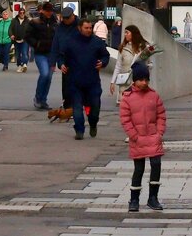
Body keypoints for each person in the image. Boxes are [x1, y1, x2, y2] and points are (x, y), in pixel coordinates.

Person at [119, 63, 166, 212]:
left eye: (146, 80)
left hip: (153, 137)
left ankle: (153, 197)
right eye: (141, 79)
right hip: (137, 139)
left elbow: (161, 115)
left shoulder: (154, 95)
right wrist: (133, 135)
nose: (144, 83)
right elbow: (125, 119)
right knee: (138, 168)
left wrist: (159, 133)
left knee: (156, 165)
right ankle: (134, 199)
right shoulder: (127, 97)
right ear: (135, 80)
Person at [58, 18, 110, 140]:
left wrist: (102, 62)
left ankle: (93, 123)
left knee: (95, 107)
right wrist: (61, 64)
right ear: (79, 28)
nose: (89, 30)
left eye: (90, 28)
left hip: (92, 81)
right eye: (86, 28)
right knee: (77, 107)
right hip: (75, 81)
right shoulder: (70, 42)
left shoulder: (97, 42)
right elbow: (61, 56)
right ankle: (79, 130)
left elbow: (105, 55)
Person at [26, 2, 59, 109]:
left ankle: (43, 100)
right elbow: (27, 35)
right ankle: (38, 98)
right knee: (44, 74)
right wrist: (36, 44)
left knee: (49, 77)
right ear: (42, 11)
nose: (49, 13)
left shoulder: (55, 23)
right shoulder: (35, 22)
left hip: (51, 53)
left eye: (51, 11)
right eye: (47, 11)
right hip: (40, 53)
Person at [51, 6, 81, 112]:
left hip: (79, 59)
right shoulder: (60, 27)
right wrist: (57, 62)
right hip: (65, 59)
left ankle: (78, 105)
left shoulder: (80, 25)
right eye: (64, 18)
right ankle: (68, 106)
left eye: (67, 18)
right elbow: (56, 45)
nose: (65, 21)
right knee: (67, 85)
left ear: (73, 16)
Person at [112, 25, 152, 100]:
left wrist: (146, 73)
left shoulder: (144, 47)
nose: (125, 34)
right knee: (125, 107)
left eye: (127, 32)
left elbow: (150, 64)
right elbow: (118, 66)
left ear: (133, 33)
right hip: (125, 83)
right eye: (125, 33)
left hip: (139, 82)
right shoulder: (123, 48)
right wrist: (112, 82)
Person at [10, 8, 31, 72]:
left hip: (25, 40)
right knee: (18, 54)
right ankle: (19, 66)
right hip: (16, 40)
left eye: (23, 13)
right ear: (18, 13)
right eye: (20, 13)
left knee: (24, 53)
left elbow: (30, 30)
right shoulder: (14, 20)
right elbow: (10, 29)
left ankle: (24, 64)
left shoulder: (27, 21)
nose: (22, 14)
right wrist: (11, 35)